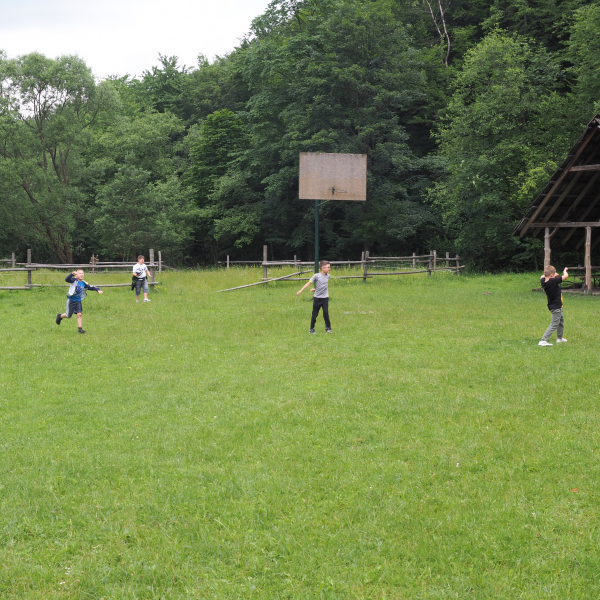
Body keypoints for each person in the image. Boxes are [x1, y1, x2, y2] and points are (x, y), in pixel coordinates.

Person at [55, 269, 103, 334]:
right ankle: (60, 316)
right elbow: (67, 279)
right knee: (68, 316)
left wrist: (98, 290)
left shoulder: (84, 283)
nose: (81, 274)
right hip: (71, 301)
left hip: (78, 301)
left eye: (82, 273)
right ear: (76, 275)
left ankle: (80, 329)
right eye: (79, 273)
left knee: (79, 314)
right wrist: (71, 274)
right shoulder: (74, 280)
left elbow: (91, 287)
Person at [297, 260, 333, 334]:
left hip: (325, 298)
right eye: (328, 267)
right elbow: (308, 283)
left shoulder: (328, 276)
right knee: (315, 314)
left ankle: (328, 328)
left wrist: (315, 289)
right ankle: (311, 329)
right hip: (317, 298)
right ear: (323, 268)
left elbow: (323, 285)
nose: (329, 268)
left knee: (326, 313)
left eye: (330, 267)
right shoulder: (316, 276)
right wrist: (301, 290)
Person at [539, 265, 568, 346]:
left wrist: (553, 274)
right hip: (556, 306)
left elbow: (542, 276)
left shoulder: (543, 281)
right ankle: (543, 340)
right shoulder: (553, 281)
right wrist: (565, 271)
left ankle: (560, 338)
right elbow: (565, 276)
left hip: (553, 305)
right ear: (551, 275)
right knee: (554, 324)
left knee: (561, 321)